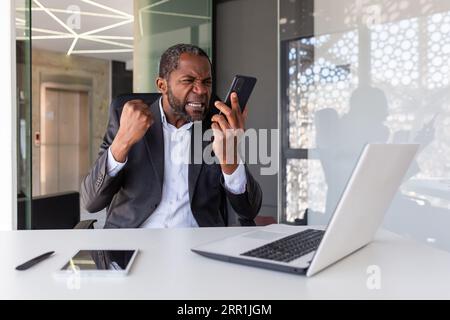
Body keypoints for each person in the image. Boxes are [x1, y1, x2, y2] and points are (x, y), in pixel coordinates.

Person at [81, 44, 262, 228]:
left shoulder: (217, 126)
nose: (201, 90)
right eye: (188, 80)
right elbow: (91, 202)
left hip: (197, 245)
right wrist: (123, 141)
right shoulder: (127, 117)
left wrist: (229, 157)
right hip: (133, 244)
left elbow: (249, 210)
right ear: (162, 85)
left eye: (206, 82)